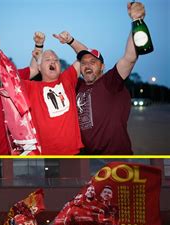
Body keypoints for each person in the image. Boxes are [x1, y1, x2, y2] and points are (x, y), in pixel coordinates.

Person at [55, 2, 145, 154]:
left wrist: (137, 21)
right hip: (87, 156)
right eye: (83, 63)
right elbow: (84, 52)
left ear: (102, 66)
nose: (87, 66)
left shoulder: (110, 82)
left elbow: (130, 57)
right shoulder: (78, 86)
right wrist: (71, 41)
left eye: (93, 62)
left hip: (115, 156)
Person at [0, 32, 83, 155]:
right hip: (45, 155)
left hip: (73, 153)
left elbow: (85, 55)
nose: (53, 62)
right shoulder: (30, 87)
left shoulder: (67, 79)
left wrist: (71, 40)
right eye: (48, 59)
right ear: (39, 67)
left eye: (56, 60)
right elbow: (7, 78)